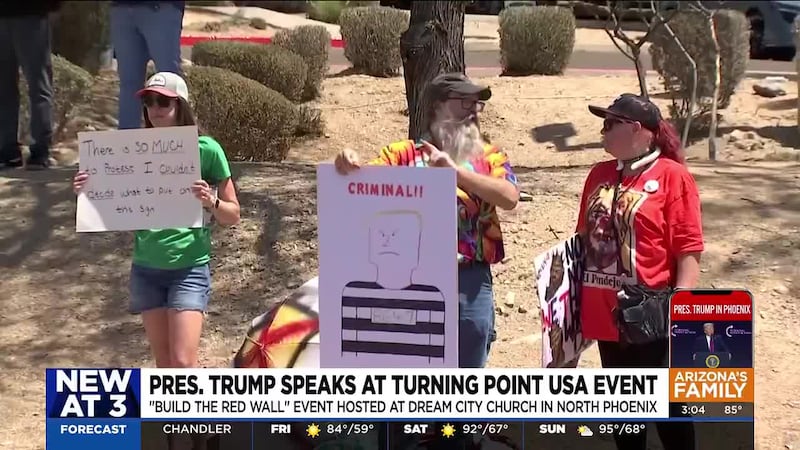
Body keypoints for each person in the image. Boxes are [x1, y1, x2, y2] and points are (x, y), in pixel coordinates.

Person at [334, 72, 519, 369]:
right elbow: (361, 191)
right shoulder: (402, 155)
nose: (474, 111)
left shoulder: (490, 156)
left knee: (466, 377)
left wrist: (456, 173)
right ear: (437, 107)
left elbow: (509, 197)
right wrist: (345, 164)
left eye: (477, 104)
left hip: (468, 282)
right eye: (464, 102)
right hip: (408, 281)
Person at [72, 72, 240, 368]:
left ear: (182, 106)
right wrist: (88, 189)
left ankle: (198, 414)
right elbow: (110, 200)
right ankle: (171, 417)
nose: (155, 108)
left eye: (163, 101)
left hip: (189, 268)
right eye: (149, 102)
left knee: (183, 362)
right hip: (146, 269)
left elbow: (233, 215)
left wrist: (211, 201)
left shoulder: (208, 150)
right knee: (165, 365)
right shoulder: (131, 152)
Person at [575, 93, 704, 450]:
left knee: (668, 409)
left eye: (609, 123)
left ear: (635, 129)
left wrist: (683, 306)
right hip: (604, 311)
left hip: (652, 315)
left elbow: (688, 246)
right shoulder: (599, 174)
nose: (602, 130)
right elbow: (582, 236)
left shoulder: (672, 177)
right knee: (624, 413)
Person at [0, 1, 60, 169]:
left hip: (28, 14)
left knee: (7, 89)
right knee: (37, 85)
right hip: (31, 15)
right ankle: (38, 152)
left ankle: (9, 151)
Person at [110, 1, 185, 130]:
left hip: (161, 8)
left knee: (170, 82)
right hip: (121, 9)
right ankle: (127, 144)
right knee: (128, 84)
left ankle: (177, 142)